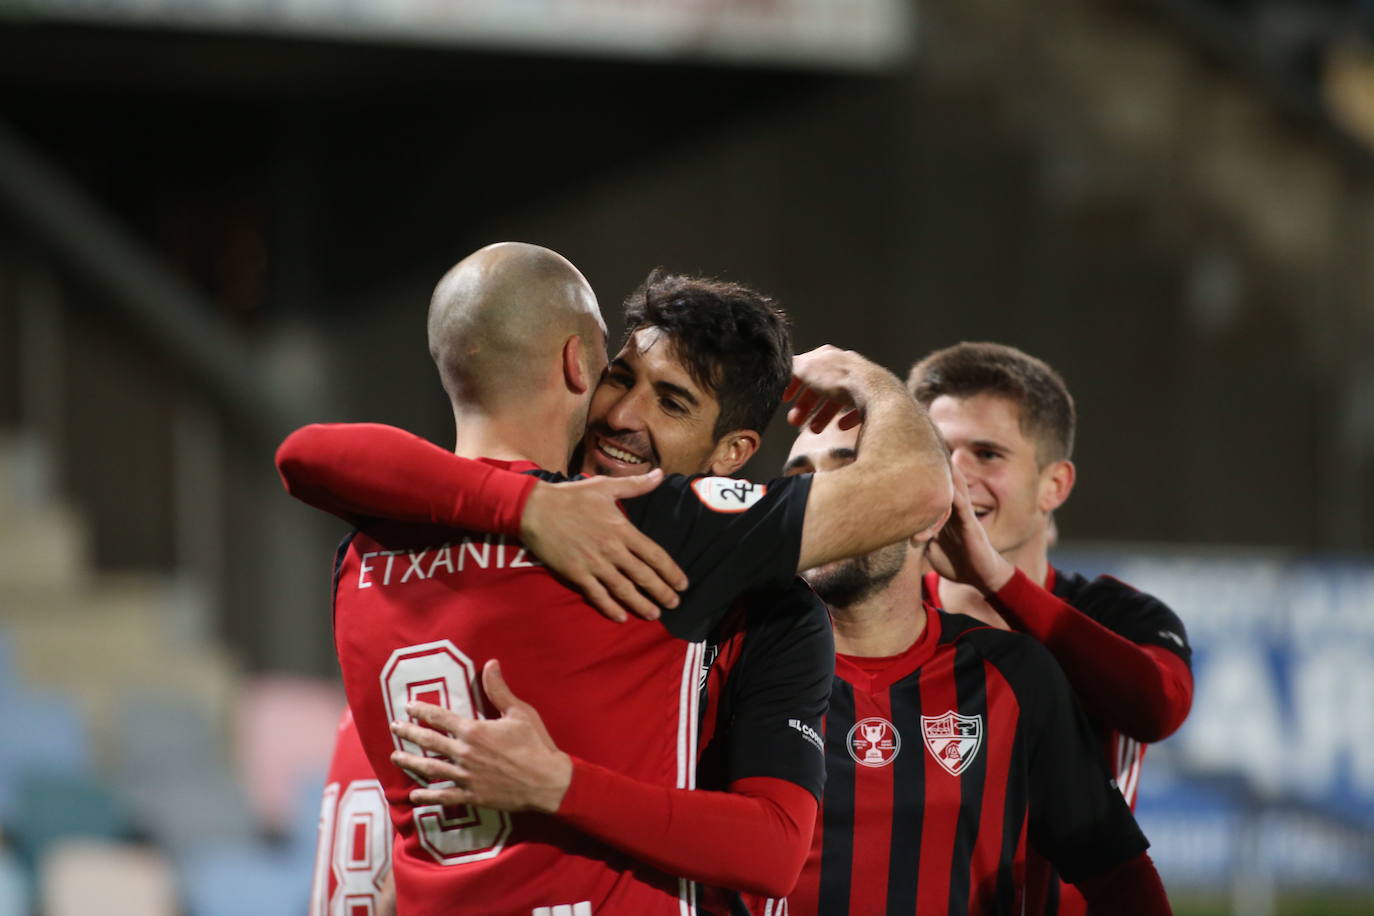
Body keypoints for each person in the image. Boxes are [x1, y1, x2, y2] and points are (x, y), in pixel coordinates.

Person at [278, 247, 952, 914]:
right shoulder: (651, 525)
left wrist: (558, 784)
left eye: (672, 402)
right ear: (582, 367)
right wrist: (869, 383)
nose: (625, 415)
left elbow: (306, 454)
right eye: (620, 378)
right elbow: (918, 487)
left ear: (733, 455)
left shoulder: (365, 551)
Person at [764, 418, 1173, 916]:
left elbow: (1117, 874)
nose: (819, 496)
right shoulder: (737, 662)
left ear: (929, 516)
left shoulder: (1012, 675)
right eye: (801, 477)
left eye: (850, 473)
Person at [908, 341, 1193, 915]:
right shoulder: (877, 611)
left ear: (1053, 486)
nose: (957, 475)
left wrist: (996, 579)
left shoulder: (1118, 617)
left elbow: (1156, 707)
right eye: (940, 450)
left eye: (987, 454)